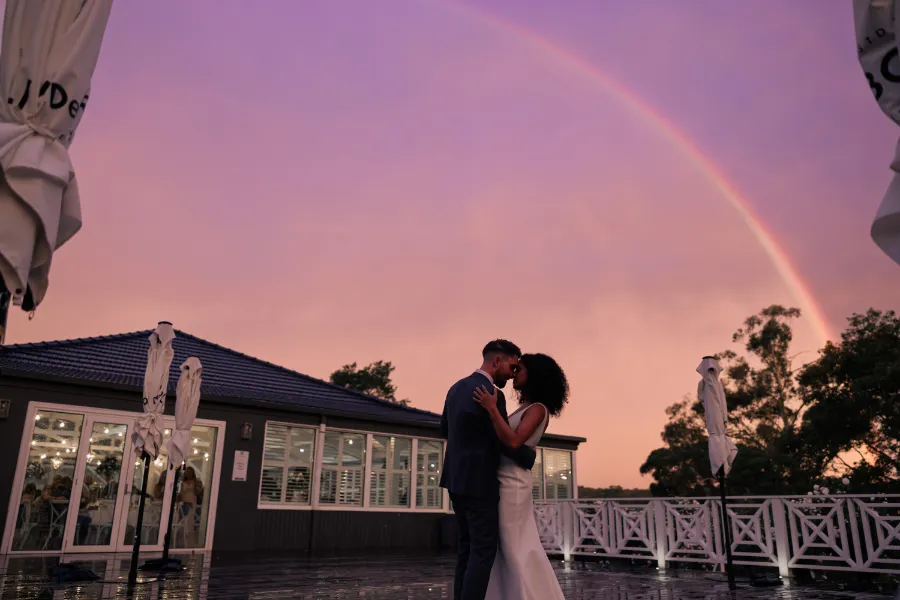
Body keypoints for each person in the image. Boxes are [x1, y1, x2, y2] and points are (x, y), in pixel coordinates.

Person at [440, 340, 537, 600]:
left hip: (454, 479)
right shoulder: (493, 394)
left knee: (466, 549)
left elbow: (444, 429)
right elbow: (504, 441)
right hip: (480, 482)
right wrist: (529, 456)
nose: (512, 373)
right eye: (511, 366)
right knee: (483, 552)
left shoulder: (455, 388)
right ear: (497, 361)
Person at [473, 352, 569, 600]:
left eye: (521, 369)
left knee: (514, 545)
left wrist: (492, 409)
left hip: (513, 485)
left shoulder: (538, 410)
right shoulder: (523, 408)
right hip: (502, 479)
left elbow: (515, 441)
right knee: (505, 546)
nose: (515, 373)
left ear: (534, 375)